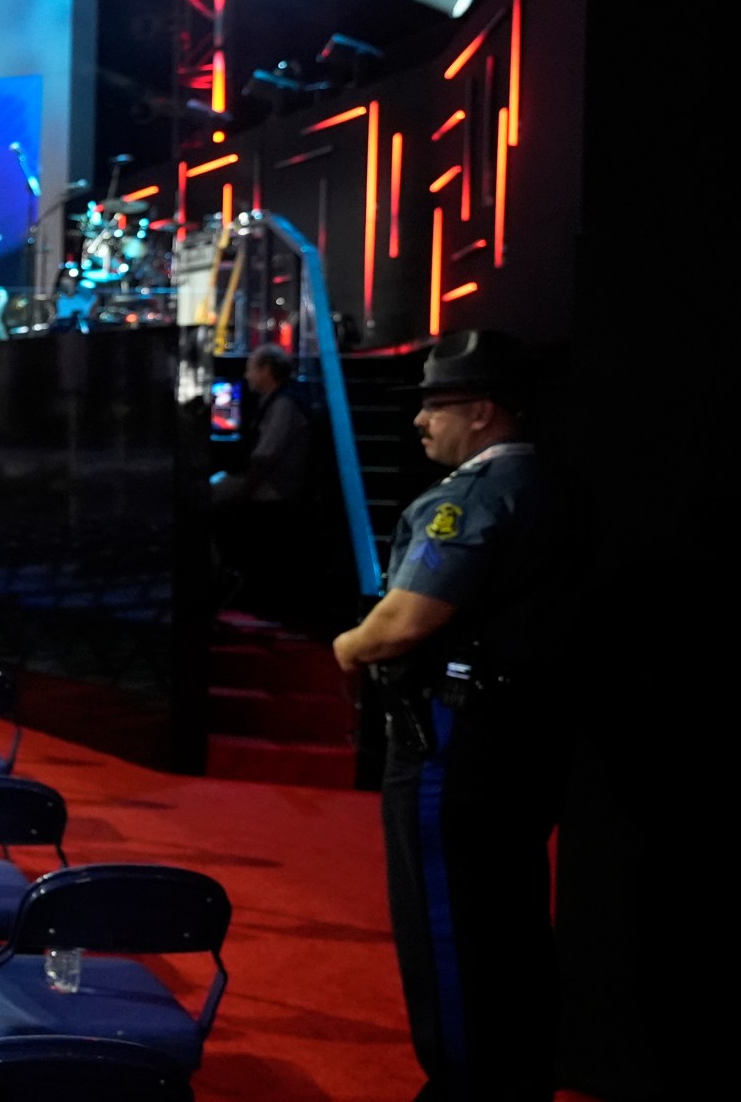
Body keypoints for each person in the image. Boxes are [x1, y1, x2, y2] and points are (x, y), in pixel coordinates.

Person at [331, 328, 564, 1101]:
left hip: (452, 739)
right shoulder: (556, 485)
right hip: (524, 733)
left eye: (439, 404)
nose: (421, 420)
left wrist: (348, 645)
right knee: (511, 913)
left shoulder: (474, 496)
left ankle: (466, 1083)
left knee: (448, 924)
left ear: (487, 412)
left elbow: (405, 621)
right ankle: (515, 1073)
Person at [212, 344, 326, 622]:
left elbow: (264, 459)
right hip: (273, 484)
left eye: (251, 368)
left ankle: (221, 579)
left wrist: (240, 493)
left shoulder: (284, 405)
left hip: (277, 490)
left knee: (200, 503)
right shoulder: (279, 400)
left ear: (266, 370)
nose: (247, 375)